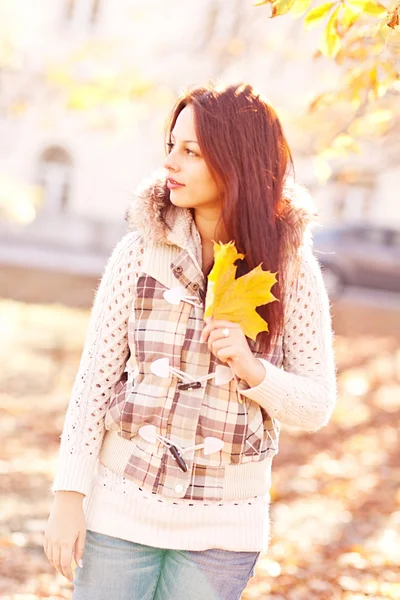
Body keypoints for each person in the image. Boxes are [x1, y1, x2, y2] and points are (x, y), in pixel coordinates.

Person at [43, 82, 336, 600]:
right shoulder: (138, 253)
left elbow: (316, 405)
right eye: (171, 148)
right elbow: (94, 382)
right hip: (120, 509)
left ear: (237, 161)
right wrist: (69, 495)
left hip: (223, 531)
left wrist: (253, 369)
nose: (171, 163)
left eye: (191, 152)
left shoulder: (292, 269)